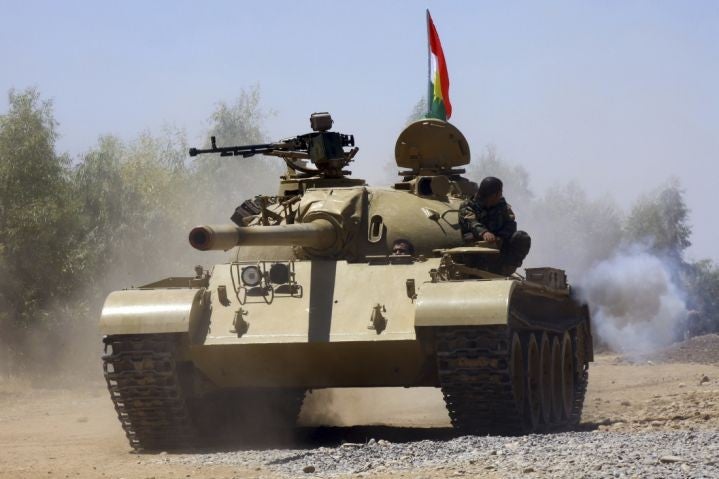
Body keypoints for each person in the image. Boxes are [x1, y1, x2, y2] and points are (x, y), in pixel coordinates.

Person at [459, 176, 531, 273]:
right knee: (470, 237)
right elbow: (471, 221)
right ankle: (479, 270)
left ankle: (506, 269)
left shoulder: (501, 204)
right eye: (500, 192)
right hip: (478, 247)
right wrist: (484, 233)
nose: (501, 194)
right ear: (494, 194)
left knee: (521, 237)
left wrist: (500, 238)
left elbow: (510, 224)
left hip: (499, 245)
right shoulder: (468, 205)